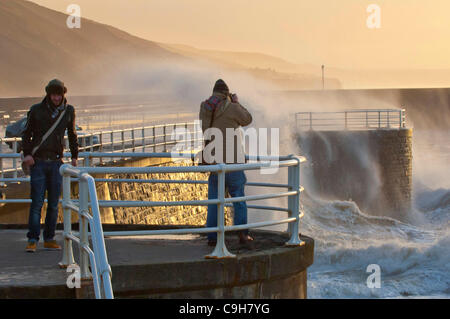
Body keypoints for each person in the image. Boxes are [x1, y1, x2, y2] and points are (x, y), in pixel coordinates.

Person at [22, 79, 79, 252]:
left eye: (59, 94)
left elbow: (72, 134)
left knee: (54, 204)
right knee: (37, 203)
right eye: (54, 94)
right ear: (48, 94)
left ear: (63, 94)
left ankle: (49, 238)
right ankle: (32, 240)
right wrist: (28, 155)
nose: (56, 98)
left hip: (56, 162)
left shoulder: (68, 111)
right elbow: (27, 134)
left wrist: (75, 156)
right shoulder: (36, 110)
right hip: (38, 161)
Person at [199, 79, 253, 246]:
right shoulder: (232, 107)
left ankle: (212, 237)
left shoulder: (205, 107)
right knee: (238, 198)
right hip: (233, 163)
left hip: (214, 163)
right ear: (226, 93)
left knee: (215, 201)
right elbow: (247, 119)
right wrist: (236, 102)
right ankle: (243, 235)